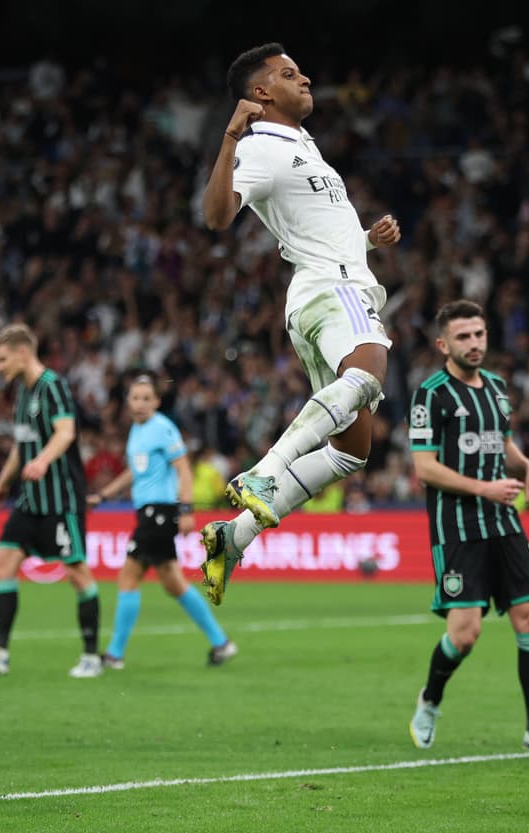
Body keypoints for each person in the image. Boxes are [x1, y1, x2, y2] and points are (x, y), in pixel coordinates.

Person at [199, 43, 402, 604]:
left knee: (351, 450)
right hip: (331, 288)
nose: (305, 77)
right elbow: (217, 216)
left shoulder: (301, 144)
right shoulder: (261, 145)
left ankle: (231, 538)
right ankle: (263, 472)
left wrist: (366, 241)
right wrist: (230, 136)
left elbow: (312, 229)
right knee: (372, 371)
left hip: (326, 287)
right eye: (289, 74)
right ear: (262, 93)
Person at [406, 300, 529, 753]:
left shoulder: (498, 389)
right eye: (463, 337)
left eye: (479, 334)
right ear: (444, 344)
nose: (474, 343)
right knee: (465, 635)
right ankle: (430, 699)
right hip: (457, 526)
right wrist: (482, 489)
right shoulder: (432, 394)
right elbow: (424, 468)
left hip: (503, 520)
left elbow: (504, 449)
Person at [0, 324, 103, 678]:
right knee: (2, 564)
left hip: (61, 500)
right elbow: (22, 446)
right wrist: (2, 484)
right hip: (30, 501)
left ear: (23, 353)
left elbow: (65, 433)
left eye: (3, 359)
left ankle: (92, 658)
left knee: (77, 574)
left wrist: (43, 461)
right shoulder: (22, 393)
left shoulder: (54, 386)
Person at [87, 375, 238, 668]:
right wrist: (104, 495)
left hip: (160, 512)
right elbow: (135, 471)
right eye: (135, 398)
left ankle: (115, 655)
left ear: (156, 401)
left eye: (147, 398)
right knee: (173, 583)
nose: (140, 404)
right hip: (149, 512)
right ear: (128, 401)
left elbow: (183, 470)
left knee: (128, 577)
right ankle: (221, 643)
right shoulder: (137, 430)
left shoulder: (162, 429)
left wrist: (186, 510)